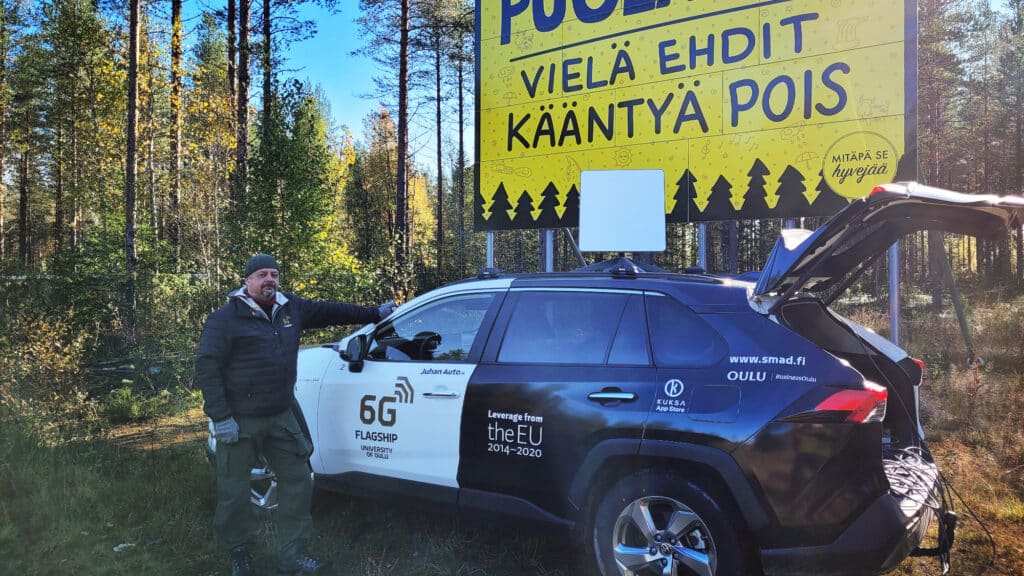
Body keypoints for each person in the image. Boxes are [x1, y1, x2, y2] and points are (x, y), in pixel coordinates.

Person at [195, 254, 397, 576]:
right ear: (247, 281)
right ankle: (239, 553)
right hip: (240, 420)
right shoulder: (225, 319)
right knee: (234, 491)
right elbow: (206, 367)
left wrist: (375, 313)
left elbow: (332, 311)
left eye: (274, 274)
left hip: (281, 414)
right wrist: (220, 417)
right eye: (262, 274)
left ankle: (292, 554)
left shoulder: (291, 309)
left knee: (299, 482)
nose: (269, 280)